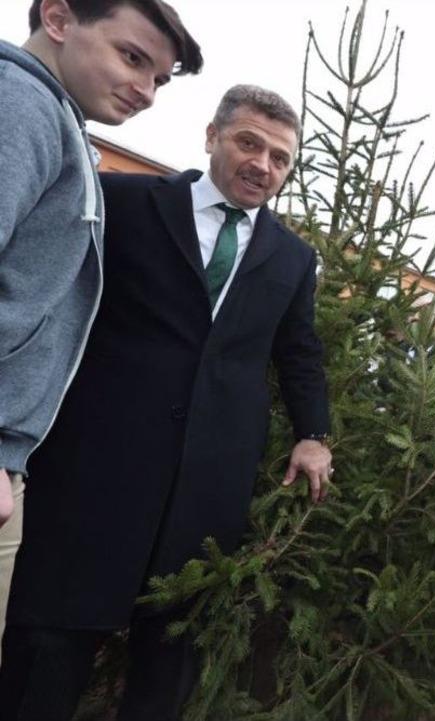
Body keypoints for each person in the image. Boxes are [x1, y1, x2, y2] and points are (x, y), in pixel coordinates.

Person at [0, 85, 331, 721]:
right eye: (249, 143)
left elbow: (299, 353)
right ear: (212, 136)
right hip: (96, 466)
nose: (264, 164)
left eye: (281, 157)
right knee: (49, 645)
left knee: (171, 651)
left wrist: (315, 432)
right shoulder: (123, 203)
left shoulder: (293, 257)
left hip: (208, 483)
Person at [0, 0, 200, 653]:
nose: (145, 91)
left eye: (160, 79)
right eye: (132, 57)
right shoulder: (20, 105)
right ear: (58, 17)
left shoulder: (57, 120)